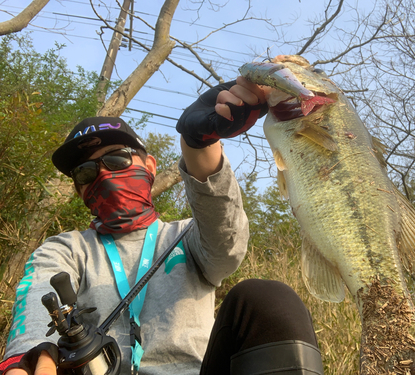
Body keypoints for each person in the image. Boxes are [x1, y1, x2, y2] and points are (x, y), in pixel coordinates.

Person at [0, 77, 324, 375]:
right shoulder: (67, 248)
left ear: (150, 166)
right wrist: (32, 357)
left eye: (117, 159)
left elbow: (227, 247)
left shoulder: (184, 236)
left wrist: (199, 141)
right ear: (78, 189)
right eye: (85, 173)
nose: (103, 176)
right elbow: (39, 291)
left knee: (267, 298)